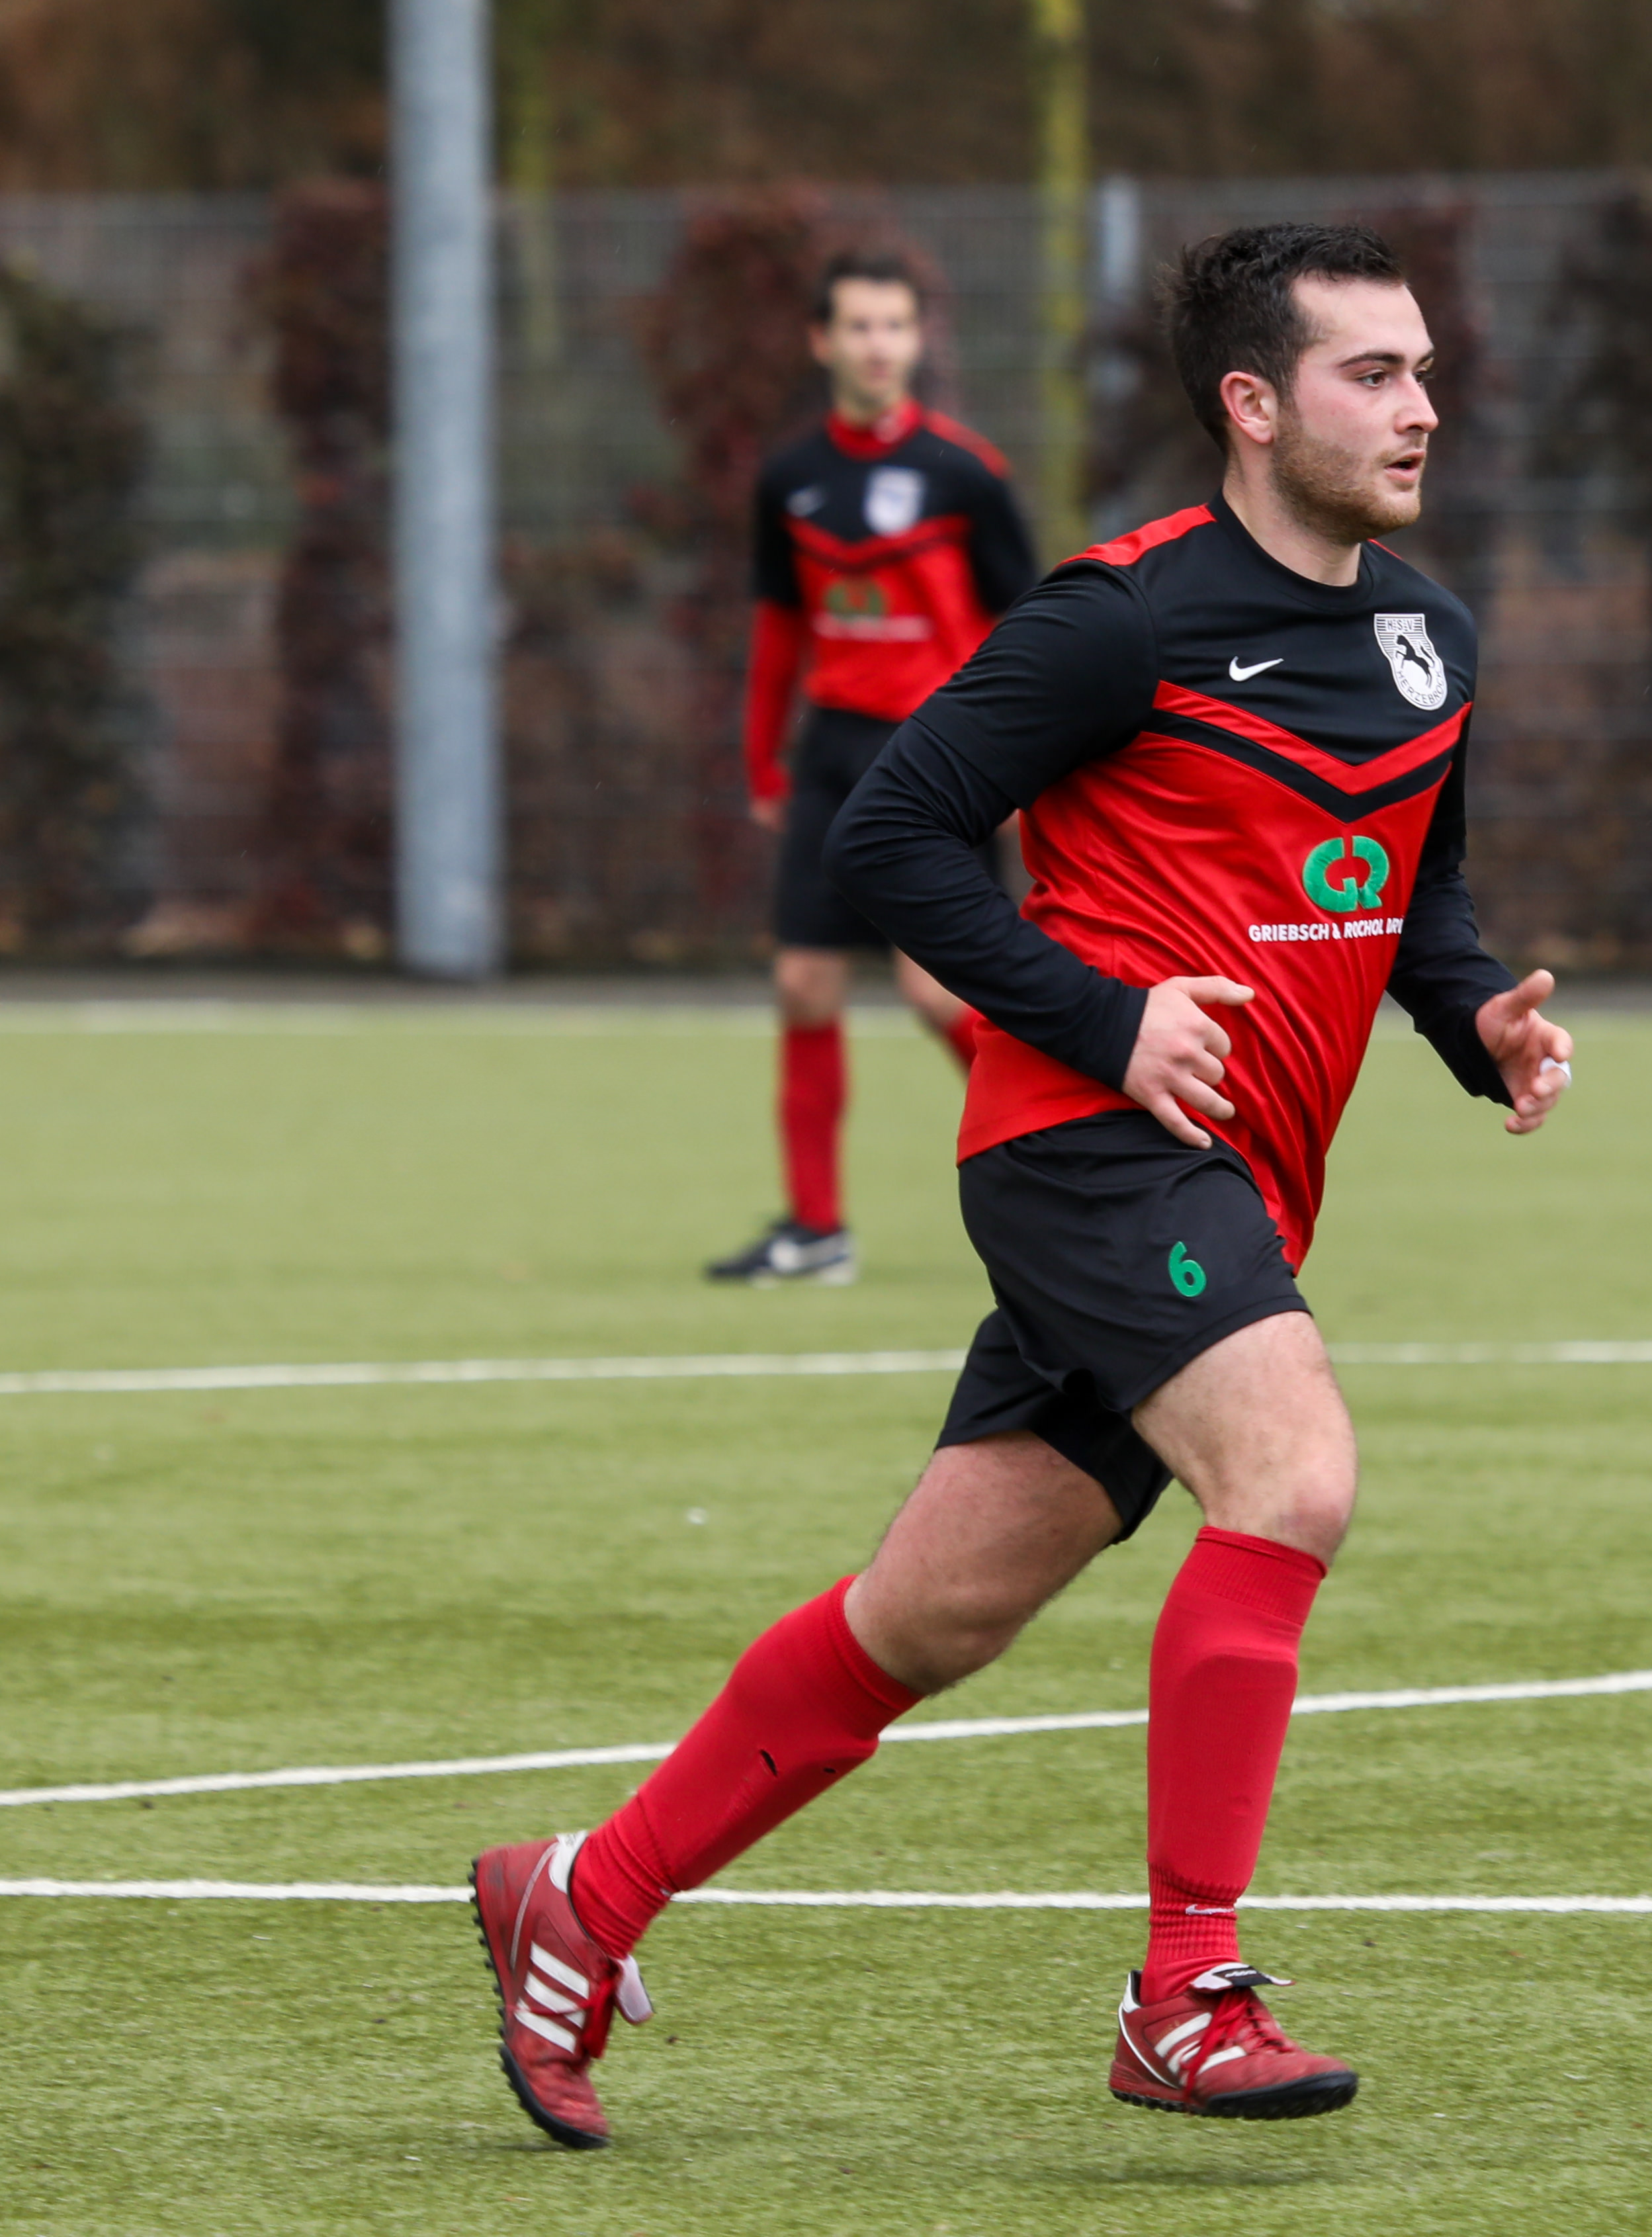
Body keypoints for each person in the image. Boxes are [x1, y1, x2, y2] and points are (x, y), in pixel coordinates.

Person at [473, 221, 1572, 2146]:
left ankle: (585, 1891)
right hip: (1087, 1147)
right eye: (1371, 374)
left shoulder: (1429, 637)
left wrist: (1477, 1017)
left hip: (1234, 1173)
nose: (1421, 406)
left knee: (933, 1611)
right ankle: (1186, 1990)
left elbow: (1416, 888)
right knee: (1293, 1473)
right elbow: (892, 829)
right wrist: (1105, 1016)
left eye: (1421, 370)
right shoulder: (1120, 618)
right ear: (1253, 404)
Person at [709, 247, 1041, 1288]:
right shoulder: (790, 477)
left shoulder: (966, 473)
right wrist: (764, 758)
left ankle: (1072, 1164)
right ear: (822, 341)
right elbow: (779, 625)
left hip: (942, 755)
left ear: (918, 338)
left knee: (938, 994)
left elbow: (1031, 631)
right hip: (833, 751)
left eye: (895, 324)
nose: (878, 344)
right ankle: (817, 1231)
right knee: (803, 983)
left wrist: (1023, 764)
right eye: (857, 325)